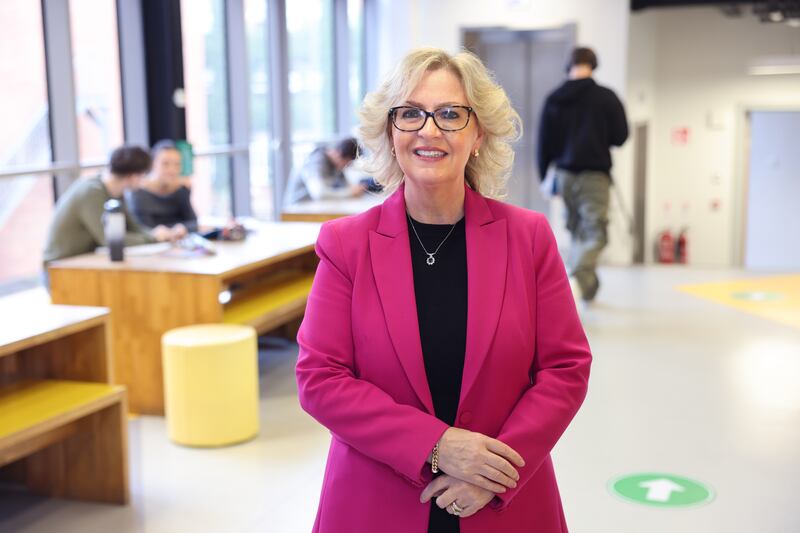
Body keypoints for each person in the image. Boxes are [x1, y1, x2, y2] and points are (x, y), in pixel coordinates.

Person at [296, 48, 592, 533]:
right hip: (377, 498)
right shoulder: (346, 244)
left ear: (478, 134)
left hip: (502, 502)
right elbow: (319, 378)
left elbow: (565, 368)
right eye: (410, 113)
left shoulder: (529, 238)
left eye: (451, 114)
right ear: (390, 133)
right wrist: (438, 446)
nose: (429, 130)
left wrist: (493, 473)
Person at [537, 46, 629, 304]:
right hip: (594, 177)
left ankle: (588, 288)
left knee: (577, 232)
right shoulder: (607, 97)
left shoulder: (554, 98)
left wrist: (545, 178)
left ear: (569, 66)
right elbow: (621, 136)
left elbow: (543, 143)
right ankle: (575, 278)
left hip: (564, 176)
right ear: (594, 65)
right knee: (595, 234)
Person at [43, 145, 174, 276]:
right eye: (143, 174)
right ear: (132, 176)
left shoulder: (116, 193)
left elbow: (134, 228)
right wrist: (152, 237)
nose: (144, 179)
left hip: (83, 263)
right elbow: (111, 241)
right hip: (60, 268)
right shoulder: (91, 192)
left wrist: (159, 234)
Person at [128, 139, 198, 237]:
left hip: (179, 242)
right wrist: (175, 230)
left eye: (177, 164)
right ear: (153, 164)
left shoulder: (181, 189)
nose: (172, 170)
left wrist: (181, 229)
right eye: (165, 164)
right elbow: (144, 229)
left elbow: (194, 223)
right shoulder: (138, 192)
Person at [284, 137, 365, 204]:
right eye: (347, 163)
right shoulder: (317, 161)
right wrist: (349, 193)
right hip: (296, 210)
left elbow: (349, 187)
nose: (346, 167)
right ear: (338, 154)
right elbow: (319, 194)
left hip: (314, 207)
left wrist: (355, 190)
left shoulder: (336, 166)